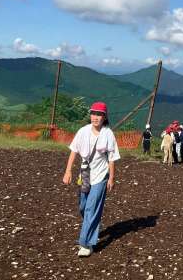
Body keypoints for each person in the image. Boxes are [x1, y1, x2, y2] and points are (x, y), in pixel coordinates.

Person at [62, 101, 120, 257]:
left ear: (104, 117)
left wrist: (111, 178)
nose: (95, 117)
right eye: (93, 113)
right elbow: (73, 151)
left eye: (99, 114)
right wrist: (68, 171)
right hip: (85, 175)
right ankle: (92, 226)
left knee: (91, 208)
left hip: (100, 177)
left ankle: (86, 244)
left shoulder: (108, 134)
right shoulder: (83, 131)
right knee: (83, 207)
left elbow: (112, 158)